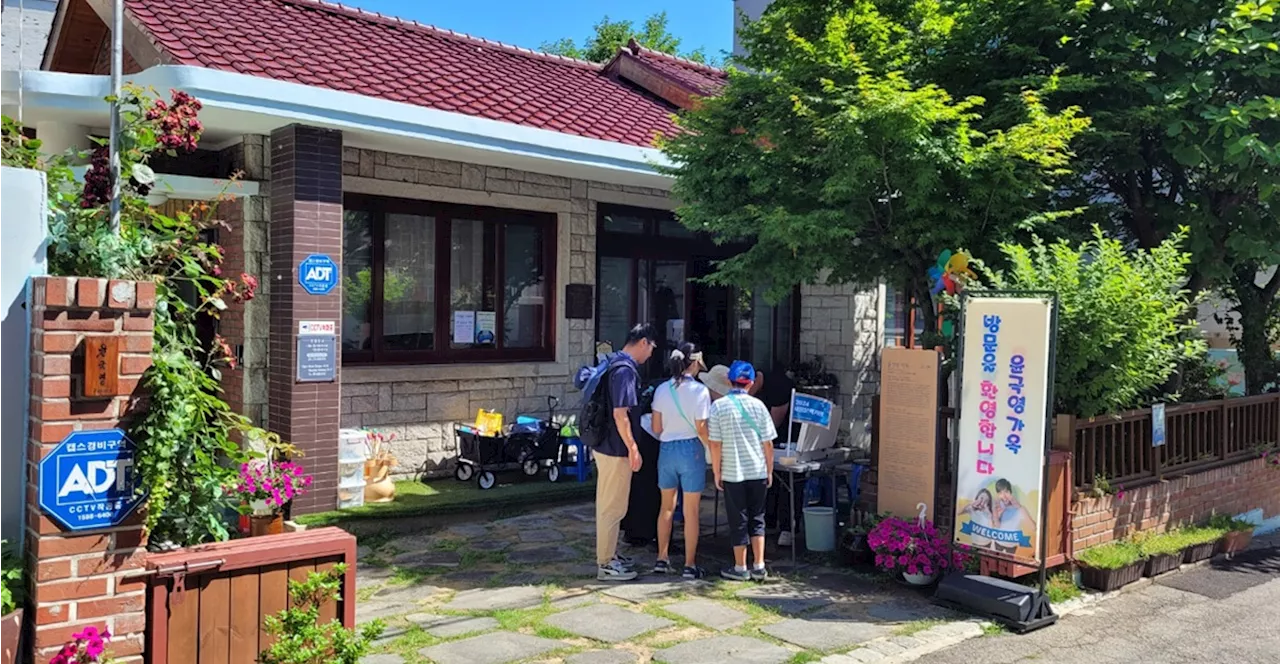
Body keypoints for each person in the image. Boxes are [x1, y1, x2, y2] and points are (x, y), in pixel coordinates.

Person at [592, 324, 655, 581]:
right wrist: (633, 447)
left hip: (606, 445)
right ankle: (606, 564)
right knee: (612, 507)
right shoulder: (625, 371)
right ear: (643, 342)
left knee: (611, 504)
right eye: (651, 348)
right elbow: (621, 413)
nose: (650, 354)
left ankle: (611, 555)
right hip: (616, 448)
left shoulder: (613, 363)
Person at [708, 360, 778, 581]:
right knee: (758, 517)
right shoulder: (759, 406)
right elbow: (768, 443)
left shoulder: (718, 407)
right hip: (757, 470)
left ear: (730, 381)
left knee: (737, 519)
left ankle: (740, 567)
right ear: (750, 383)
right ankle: (759, 565)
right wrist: (769, 470)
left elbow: (715, 444)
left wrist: (717, 472)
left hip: (733, 471)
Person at [650, 342, 712, 579]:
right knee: (691, 510)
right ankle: (689, 564)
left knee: (666, 507)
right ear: (695, 363)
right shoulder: (700, 391)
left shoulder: (662, 389)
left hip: (666, 449)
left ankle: (662, 558)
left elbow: (656, 426)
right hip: (691, 449)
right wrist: (714, 450)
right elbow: (701, 428)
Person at [992, 478, 1036, 555]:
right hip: (998, 543)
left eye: (1006, 492)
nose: (1004, 496)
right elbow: (994, 526)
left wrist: (1020, 508)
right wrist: (997, 515)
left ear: (1011, 493)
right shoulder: (998, 507)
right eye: (1000, 493)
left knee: (1009, 565)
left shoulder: (1019, 509)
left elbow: (1033, 527)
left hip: (1012, 546)